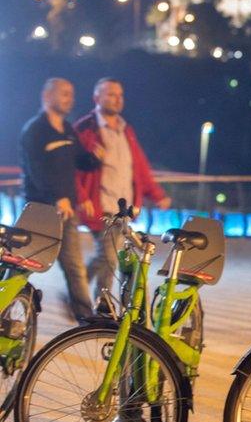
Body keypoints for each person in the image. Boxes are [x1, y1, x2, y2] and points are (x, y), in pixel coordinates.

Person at [74, 77, 171, 301]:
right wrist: (81, 196)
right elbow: (72, 168)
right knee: (109, 256)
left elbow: (139, 168)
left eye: (120, 95)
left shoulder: (126, 130)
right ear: (97, 97)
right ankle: (102, 305)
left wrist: (157, 195)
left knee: (107, 256)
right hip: (100, 206)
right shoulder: (85, 129)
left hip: (123, 209)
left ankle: (76, 289)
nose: (117, 99)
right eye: (111, 94)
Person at [18, 78, 103, 323]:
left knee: (74, 265)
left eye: (71, 94)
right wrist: (57, 197)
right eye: (64, 93)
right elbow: (36, 172)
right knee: (23, 263)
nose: (70, 98)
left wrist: (95, 158)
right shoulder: (35, 130)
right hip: (39, 212)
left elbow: (80, 161)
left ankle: (85, 318)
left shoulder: (67, 129)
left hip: (67, 212)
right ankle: (8, 302)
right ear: (47, 96)